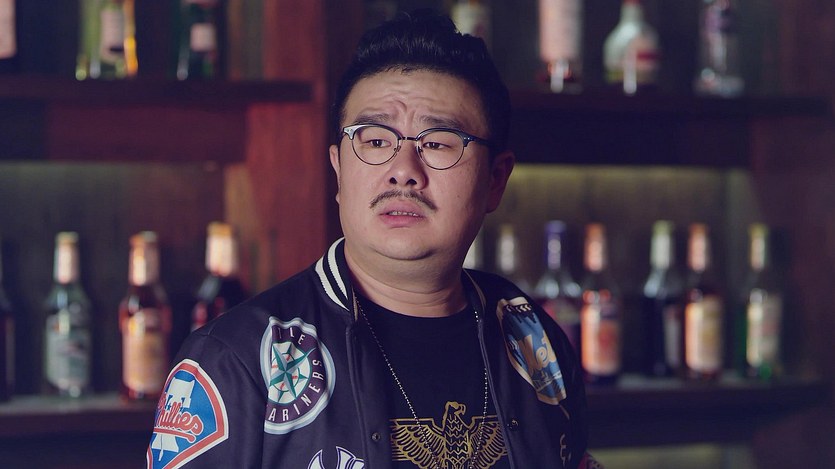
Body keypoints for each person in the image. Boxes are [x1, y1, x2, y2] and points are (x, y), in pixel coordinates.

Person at [147, 10, 599, 469]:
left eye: (438, 142)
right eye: (376, 140)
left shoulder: (531, 335)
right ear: (339, 169)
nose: (403, 171)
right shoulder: (236, 359)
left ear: (495, 180)